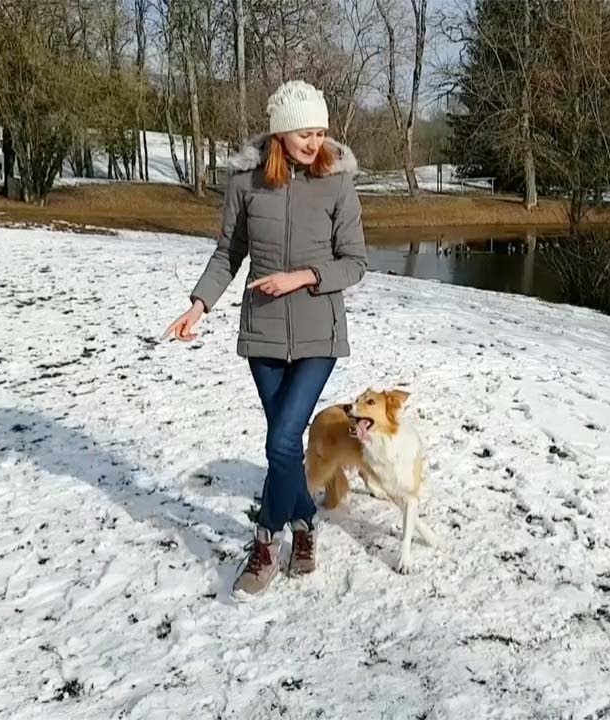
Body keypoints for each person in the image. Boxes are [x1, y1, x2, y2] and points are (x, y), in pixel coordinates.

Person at [163, 80, 366, 599]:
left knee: (280, 441)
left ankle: (264, 540)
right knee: (284, 448)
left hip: (320, 335)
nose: (314, 142)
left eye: (321, 132)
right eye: (304, 132)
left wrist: (303, 277)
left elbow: (355, 263)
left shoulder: (337, 184)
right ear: (280, 133)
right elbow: (228, 254)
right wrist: (198, 305)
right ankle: (304, 525)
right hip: (264, 336)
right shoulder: (245, 184)